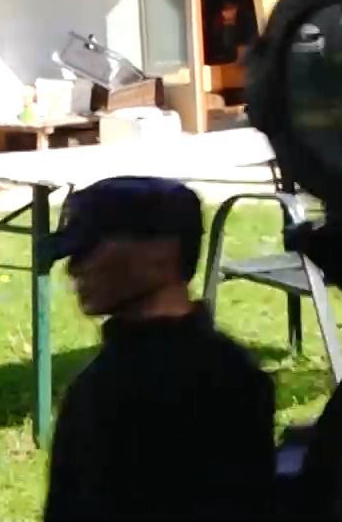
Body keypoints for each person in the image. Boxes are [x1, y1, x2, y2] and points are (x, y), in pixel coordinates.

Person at [42, 177, 278, 521]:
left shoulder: (106, 391)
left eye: (89, 249)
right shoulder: (238, 372)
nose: (74, 268)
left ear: (161, 254)